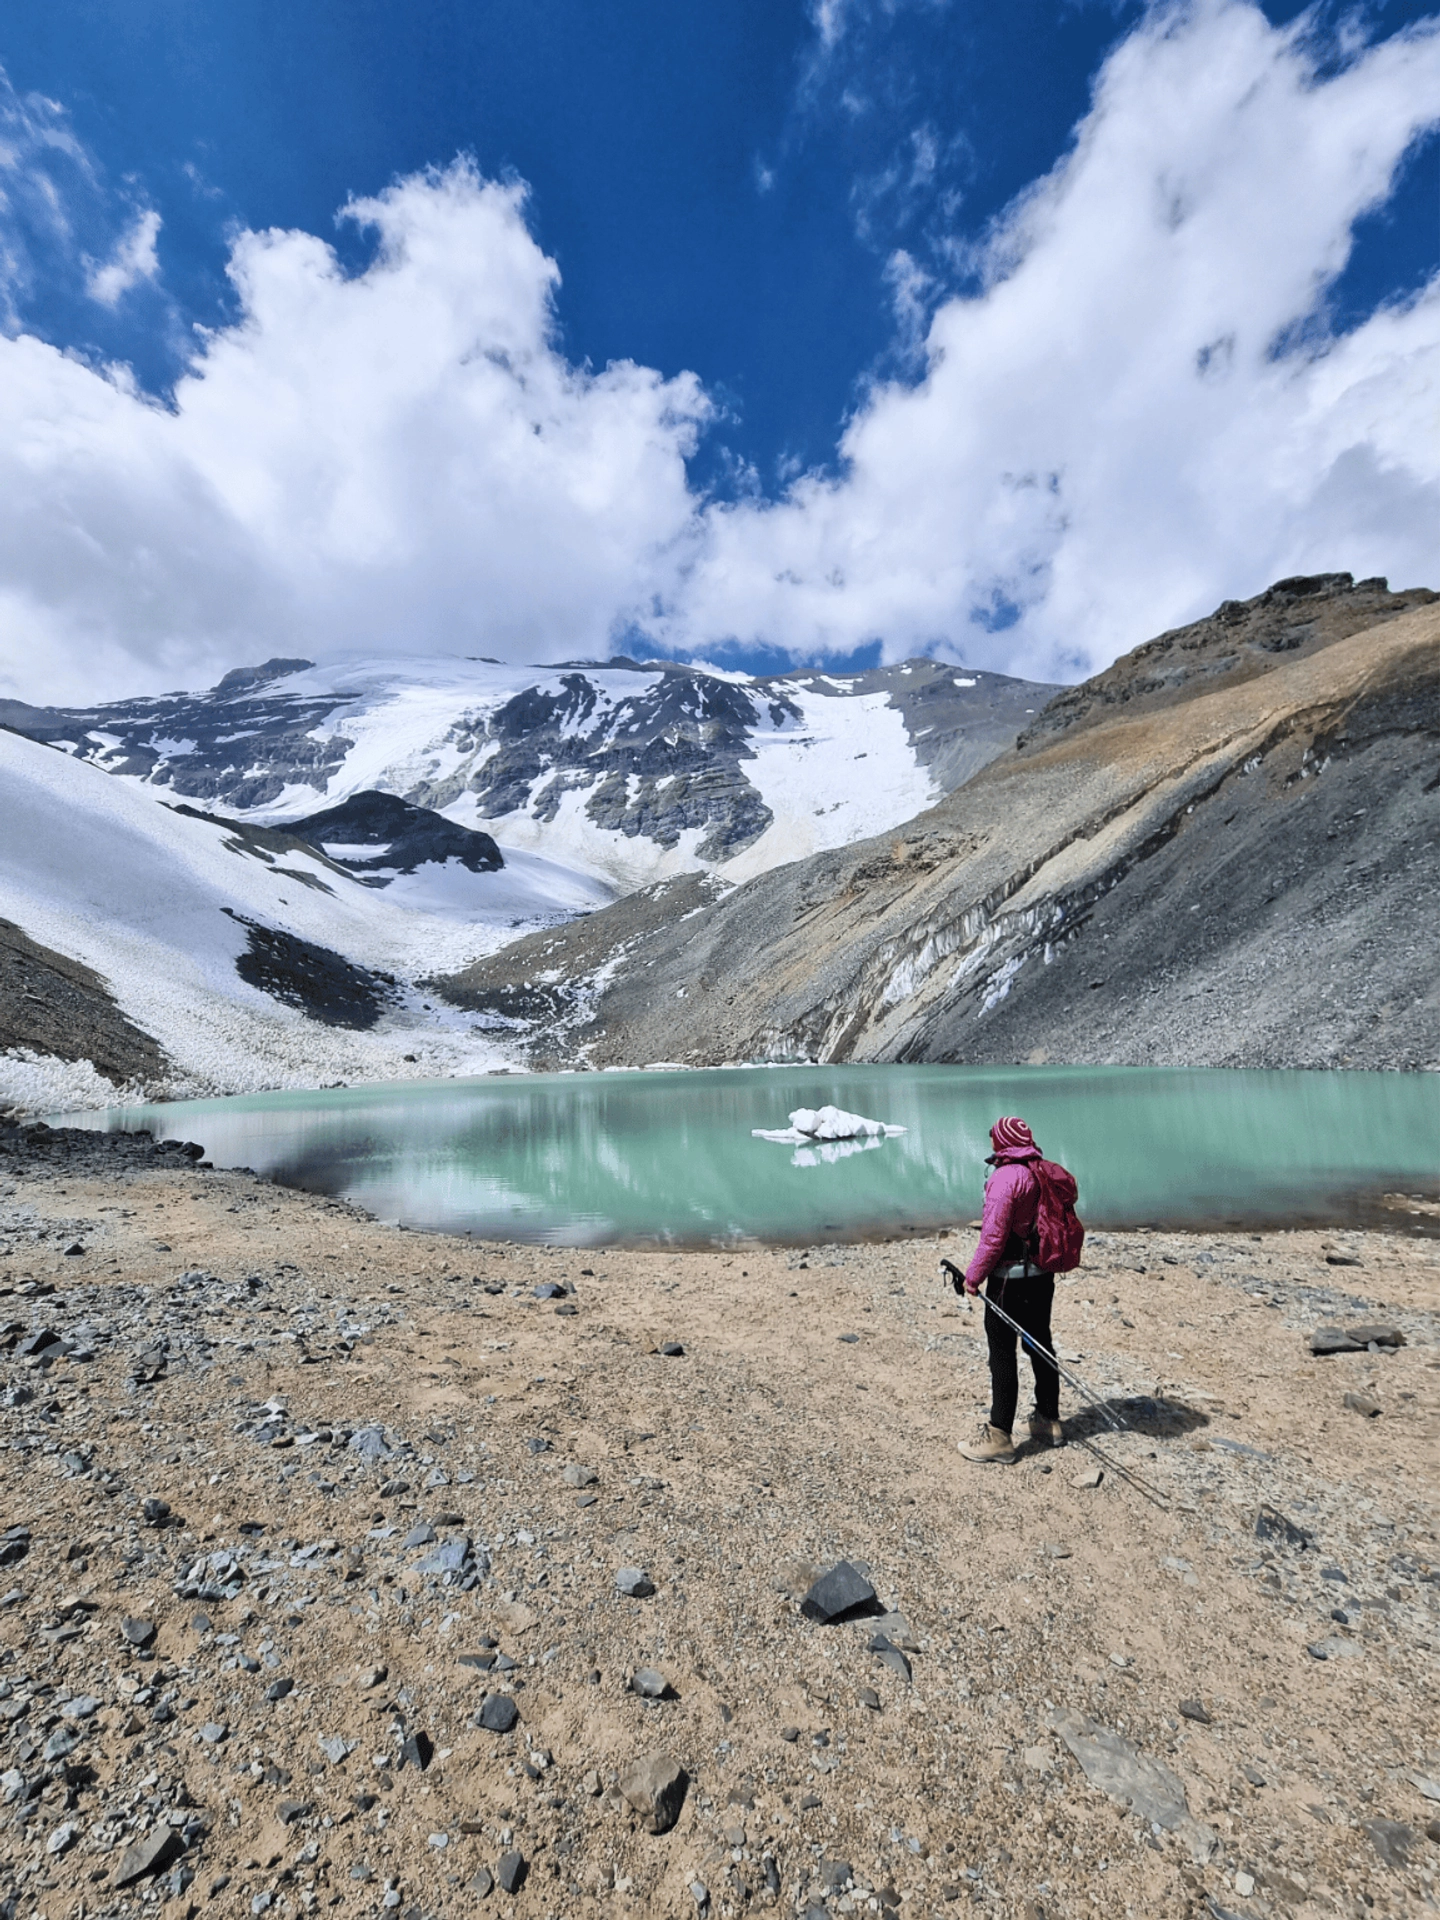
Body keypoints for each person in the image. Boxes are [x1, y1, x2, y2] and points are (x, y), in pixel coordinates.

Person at [956, 1115, 1064, 1464]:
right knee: (1040, 1344)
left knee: (1002, 1353)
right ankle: (1048, 1420)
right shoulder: (1039, 1171)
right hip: (1042, 1276)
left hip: (1008, 1282)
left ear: (1002, 1142)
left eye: (993, 1138)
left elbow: (993, 1238)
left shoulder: (1005, 1178)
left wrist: (973, 1278)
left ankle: (1000, 1436)